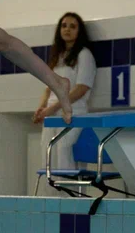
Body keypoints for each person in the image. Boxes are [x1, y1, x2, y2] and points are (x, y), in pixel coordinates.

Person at [34, 12, 97, 167]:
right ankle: (50, 185)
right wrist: (42, 108)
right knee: (48, 158)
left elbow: (81, 88)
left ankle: (68, 185)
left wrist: (54, 107)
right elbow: (48, 88)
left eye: (72, 26)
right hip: (51, 115)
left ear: (79, 31)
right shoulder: (57, 56)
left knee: (64, 155)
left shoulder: (84, 55)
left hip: (73, 114)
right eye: (64, 26)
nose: (67, 29)